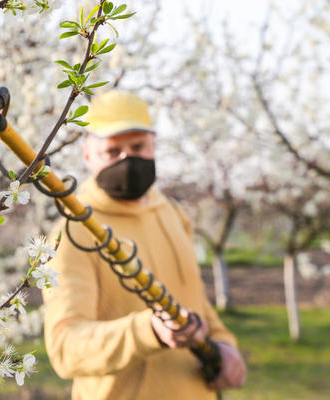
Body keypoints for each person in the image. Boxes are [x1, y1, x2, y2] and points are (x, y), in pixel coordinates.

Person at [42, 90, 247, 399]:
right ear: (87, 155)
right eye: (113, 151)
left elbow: (194, 300)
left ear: (153, 145)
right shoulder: (74, 232)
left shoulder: (172, 213)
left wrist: (224, 345)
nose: (128, 159)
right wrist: (149, 331)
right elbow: (65, 348)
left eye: (137, 146)